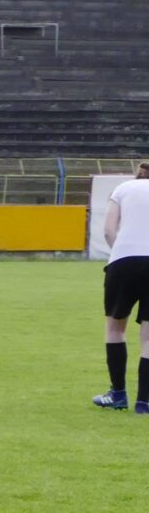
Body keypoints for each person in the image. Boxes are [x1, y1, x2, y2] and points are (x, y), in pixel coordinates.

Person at [98, 161, 149, 411]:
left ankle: (118, 394)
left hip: (124, 261)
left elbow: (108, 230)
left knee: (115, 328)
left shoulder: (123, 188)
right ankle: (144, 402)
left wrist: (121, 252)